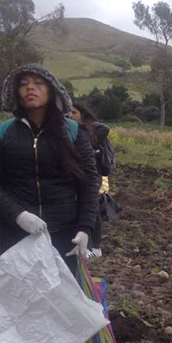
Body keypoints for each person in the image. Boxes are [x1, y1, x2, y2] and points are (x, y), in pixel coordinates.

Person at [0, 64, 99, 343]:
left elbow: (89, 182)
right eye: (23, 84)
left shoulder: (73, 131)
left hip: (63, 235)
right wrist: (18, 214)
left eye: (38, 83)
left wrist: (86, 228)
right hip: (18, 236)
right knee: (21, 309)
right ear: (14, 93)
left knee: (61, 310)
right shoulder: (3, 133)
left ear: (52, 90)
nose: (30, 89)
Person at [68, 103, 114, 257]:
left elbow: (104, 129)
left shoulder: (92, 129)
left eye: (74, 112)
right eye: (68, 113)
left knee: (91, 208)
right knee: (82, 207)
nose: (70, 115)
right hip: (77, 174)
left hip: (92, 175)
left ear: (82, 115)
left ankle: (95, 247)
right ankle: (85, 245)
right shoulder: (69, 130)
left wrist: (82, 132)